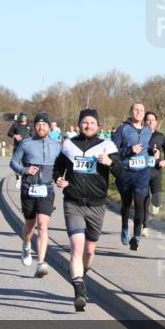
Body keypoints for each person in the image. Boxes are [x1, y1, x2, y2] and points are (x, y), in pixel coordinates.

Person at [53, 109, 124, 312]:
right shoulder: (68, 145)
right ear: (79, 124)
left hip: (97, 204)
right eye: (85, 122)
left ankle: (80, 275)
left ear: (98, 126)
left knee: (89, 250)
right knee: (76, 247)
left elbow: (121, 173)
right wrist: (58, 178)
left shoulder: (107, 145)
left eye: (92, 122)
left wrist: (110, 163)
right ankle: (79, 290)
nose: (88, 126)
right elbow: (58, 169)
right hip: (73, 202)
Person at [9, 112, 61, 279]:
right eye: (38, 124)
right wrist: (24, 170)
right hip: (28, 189)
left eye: (44, 124)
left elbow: (61, 166)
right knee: (30, 226)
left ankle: (41, 262)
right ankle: (25, 245)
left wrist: (60, 178)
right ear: (34, 127)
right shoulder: (26, 144)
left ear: (49, 127)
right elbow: (13, 162)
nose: (41, 127)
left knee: (43, 226)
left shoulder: (56, 145)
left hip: (47, 190)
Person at [111, 102, 153, 251]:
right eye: (136, 109)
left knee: (140, 202)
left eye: (141, 110)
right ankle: (124, 227)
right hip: (126, 172)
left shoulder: (148, 130)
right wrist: (129, 150)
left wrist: (155, 152)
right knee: (127, 203)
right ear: (130, 112)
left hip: (142, 172)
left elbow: (149, 148)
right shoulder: (123, 129)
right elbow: (113, 151)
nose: (139, 112)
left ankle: (136, 236)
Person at [142, 111, 165, 237]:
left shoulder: (160, 136)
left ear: (156, 122)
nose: (150, 122)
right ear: (144, 122)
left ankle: (156, 205)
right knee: (144, 200)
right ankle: (145, 227)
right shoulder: (140, 135)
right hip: (142, 171)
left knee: (157, 199)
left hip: (156, 170)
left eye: (153, 120)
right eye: (148, 119)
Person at [7, 112, 32, 189]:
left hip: (27, 148)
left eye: (24, 116)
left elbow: (33, 135)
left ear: (26, 117)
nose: (23, 117)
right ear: (20, 117)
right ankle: (18, 179)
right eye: (21, 116)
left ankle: (26, 180)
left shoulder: (29, 125)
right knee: (16, 164)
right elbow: (9, 133)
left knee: (27, 164)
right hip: (18, 147)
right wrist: (15, 135)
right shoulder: (16, 125)